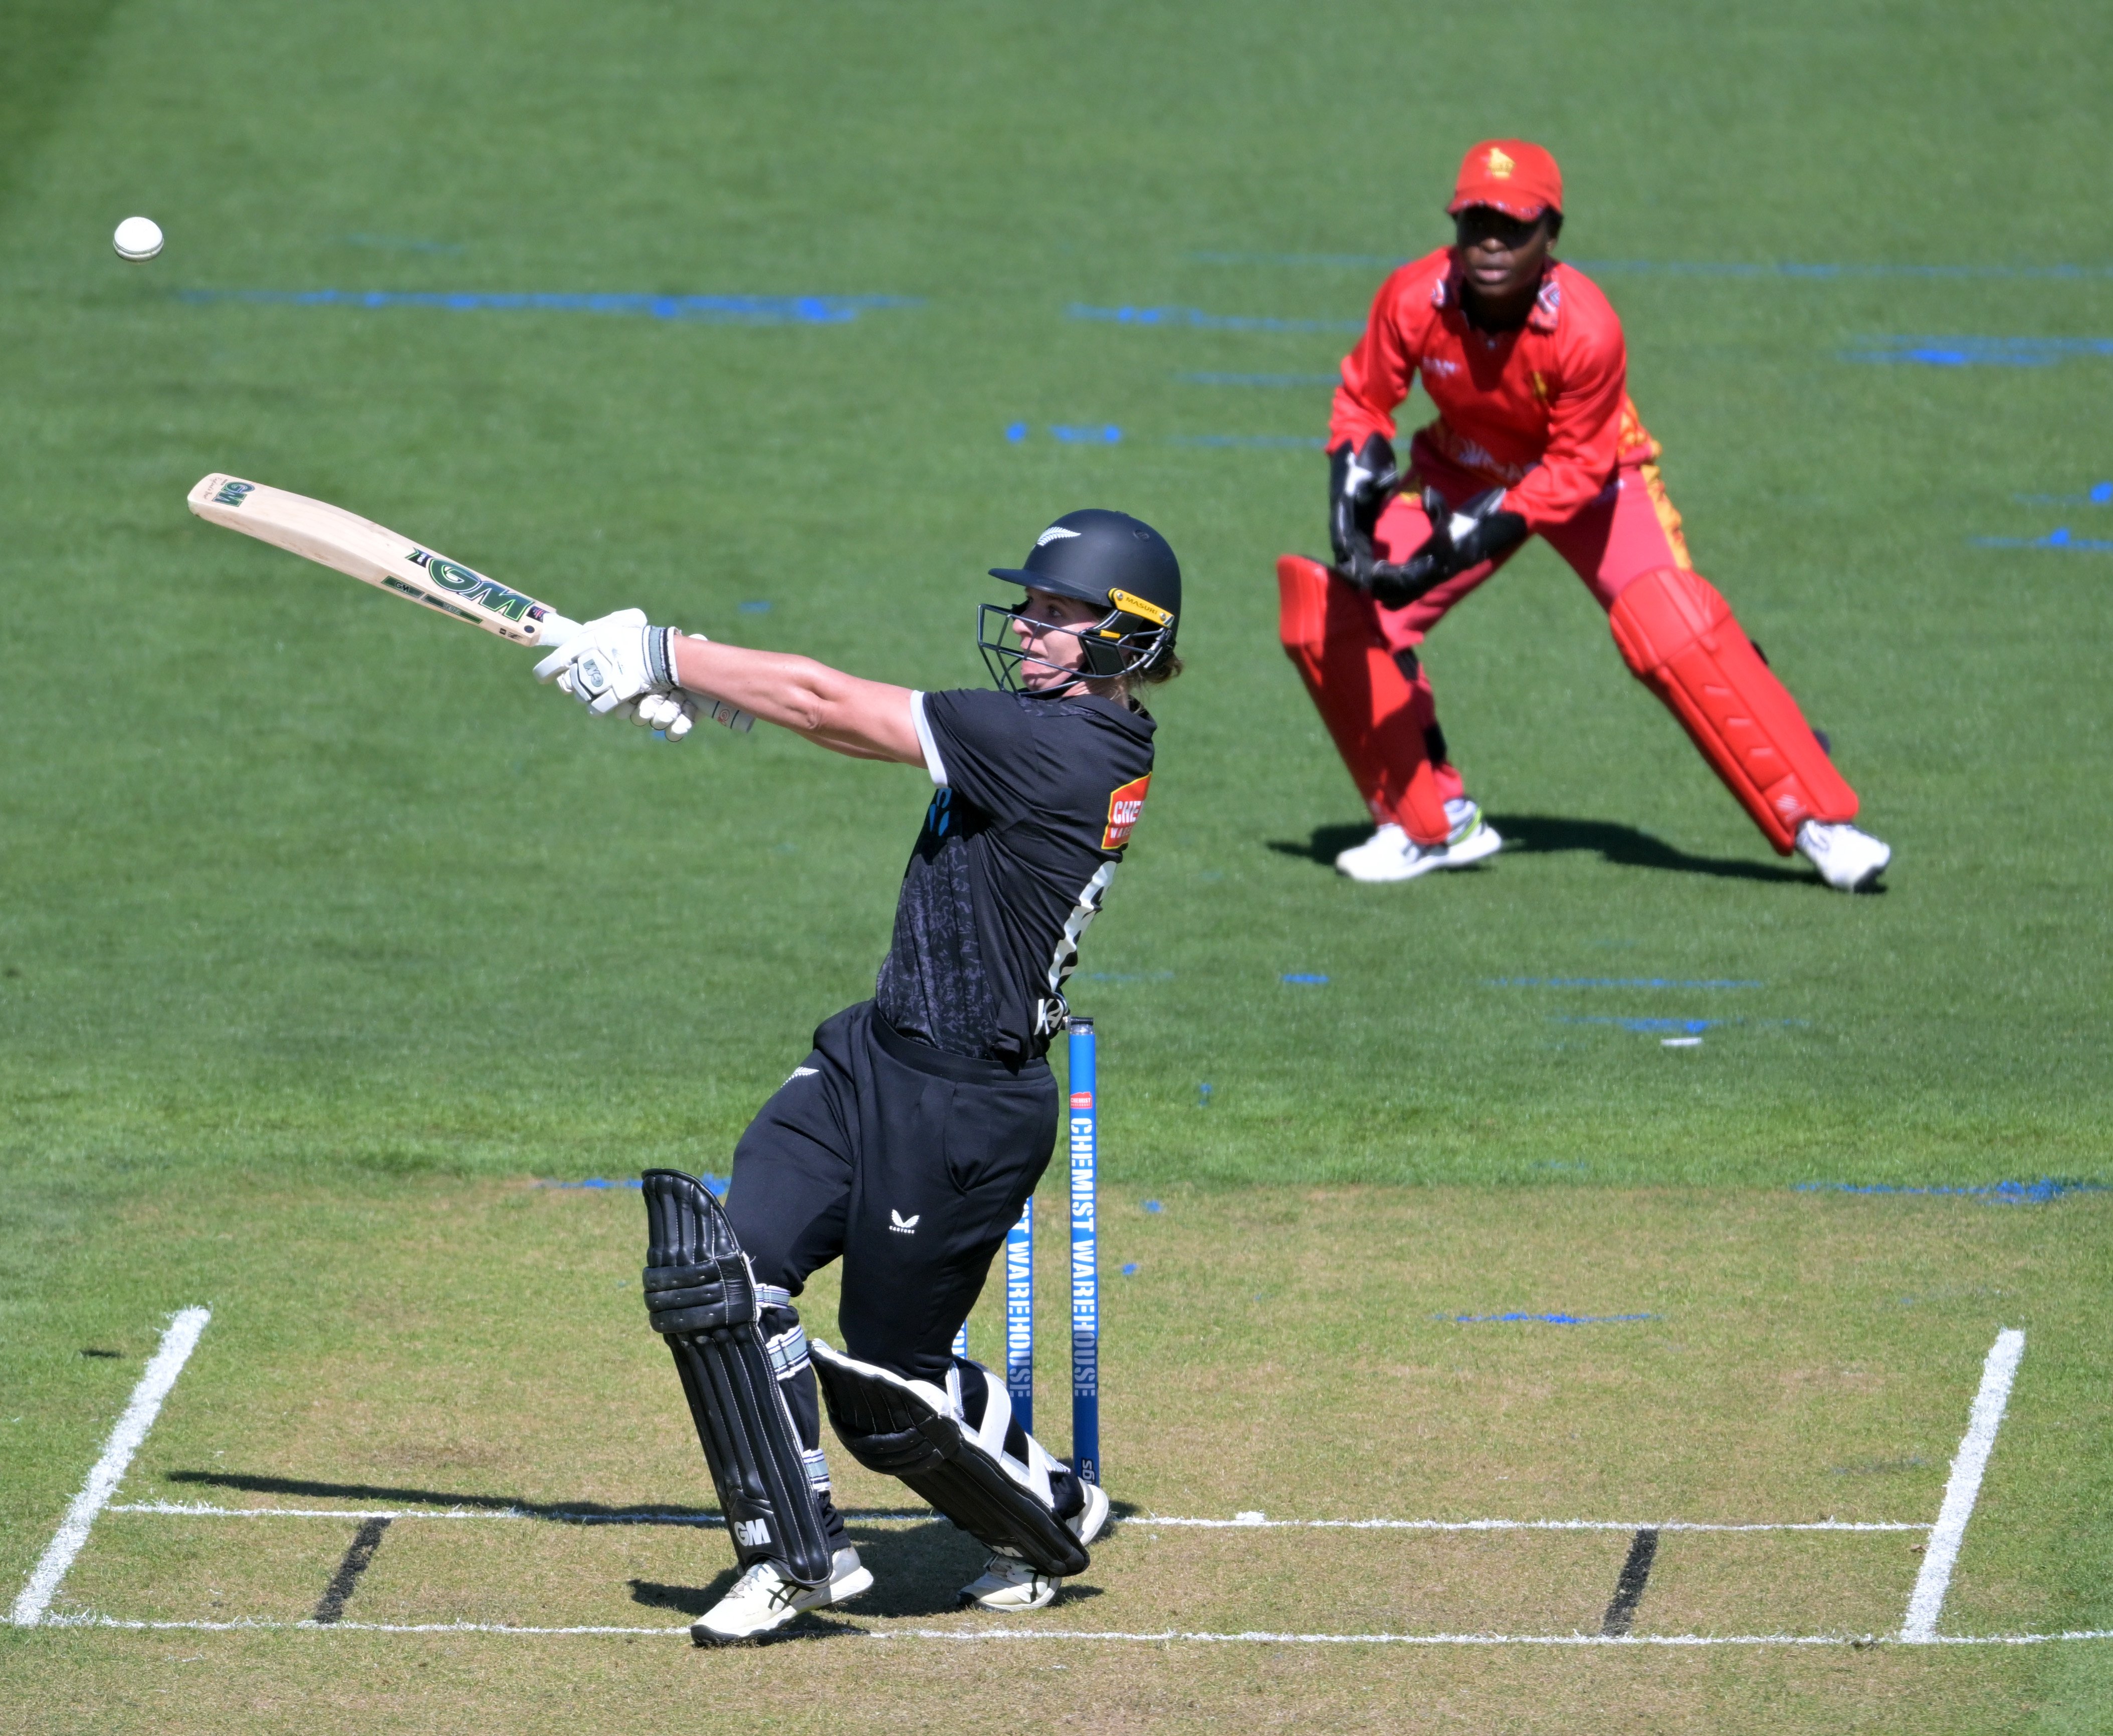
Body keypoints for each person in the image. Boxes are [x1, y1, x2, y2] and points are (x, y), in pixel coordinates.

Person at [535, 511, 1179, 1644]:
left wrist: (666, 652)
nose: (1026, 626)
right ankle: (797, 1554)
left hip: (966, 1112)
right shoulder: (1050, 728)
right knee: (718, 1274)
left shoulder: (1064, 750)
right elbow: (849, 727)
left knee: (888, 1394)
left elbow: (836, 701)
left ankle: (1045, 1514)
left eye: (1056, 615)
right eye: (1027, 605)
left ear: (1127, 638)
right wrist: (737, 693)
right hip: (870, 1056)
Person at [1280, 138, 1891, 890]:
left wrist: (1457, 547)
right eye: (1476, 223)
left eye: (1514, 225)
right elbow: (1364, 400)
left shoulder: (1587, 328)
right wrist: (1349, 504)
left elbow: (1570, 471)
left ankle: (1822, 823)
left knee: (1676, 629)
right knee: (1349, 616)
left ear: (1552, 236)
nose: (1492, 242)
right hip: (1460, 467)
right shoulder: (1414, 296)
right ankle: (1431, 822)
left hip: (1598, 480)